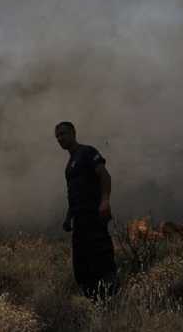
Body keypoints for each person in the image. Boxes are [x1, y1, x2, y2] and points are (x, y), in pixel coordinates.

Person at [55, 121, 117, 299]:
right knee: (81, 267)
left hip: (94, 217)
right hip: (79, 222)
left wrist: (105, 200)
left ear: (74, 133)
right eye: (57, 136)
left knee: (102, 261)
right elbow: (72, 195)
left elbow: (105, 176)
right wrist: (68, 218)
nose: (60, 138)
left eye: (64, 133)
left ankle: (112, 301)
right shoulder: (69, 165)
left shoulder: (87, 152)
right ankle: (93, 302)